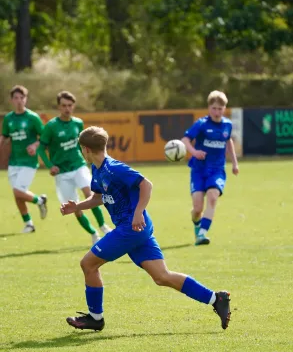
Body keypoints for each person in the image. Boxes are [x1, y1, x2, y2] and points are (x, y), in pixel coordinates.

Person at [61, 126, 231, 331]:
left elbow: (146, 185)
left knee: (88, 264)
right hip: (137, 228)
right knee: (162, 277)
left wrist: (138, 211)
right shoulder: (97, 170)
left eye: (81, 149)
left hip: (130, 228)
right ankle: (216, 299)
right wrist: (77, 206)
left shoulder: (114, 168)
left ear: (86, 149)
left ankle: (95, 318)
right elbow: (98, 197)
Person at [37, 91, 111, 244]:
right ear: (59, 107)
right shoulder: (51, 126)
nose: (67, 108)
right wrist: (50, 165)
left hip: (78, 166)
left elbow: (81, 145)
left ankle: (104, 226)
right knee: (75, 207)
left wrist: (89, 157)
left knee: (90, 195)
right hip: (62, 172)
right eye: (64, 105)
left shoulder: (78, 123)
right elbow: (40, 148)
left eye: (70, 105)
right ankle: (93, 233)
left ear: (73, 106)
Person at [181, 90, 239, 246]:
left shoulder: (227, 124)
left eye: (220, 109)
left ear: (224, 109)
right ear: (209, 108)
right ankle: (197, 223)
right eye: (214, 108)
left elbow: (228, 142)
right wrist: (194, 152)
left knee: (213, 198)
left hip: (217, 169)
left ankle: (202, 234)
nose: (217, 112)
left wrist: (234, 163)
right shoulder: (201, 124)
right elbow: (185, 140)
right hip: (199, 170)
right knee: (197, 208)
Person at [0, 85, 47, 233]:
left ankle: (40, 200)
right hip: (14, 161)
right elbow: (5, 137)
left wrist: (35, 144)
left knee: (18, 191)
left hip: (29, 162)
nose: (19, 100)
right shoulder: (8, 119)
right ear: (11, 100)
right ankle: (29, 224)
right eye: (16, 98)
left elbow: (45, 138)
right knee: (17, 194)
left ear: (26, 99)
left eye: (22, 97)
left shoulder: (33, 118)